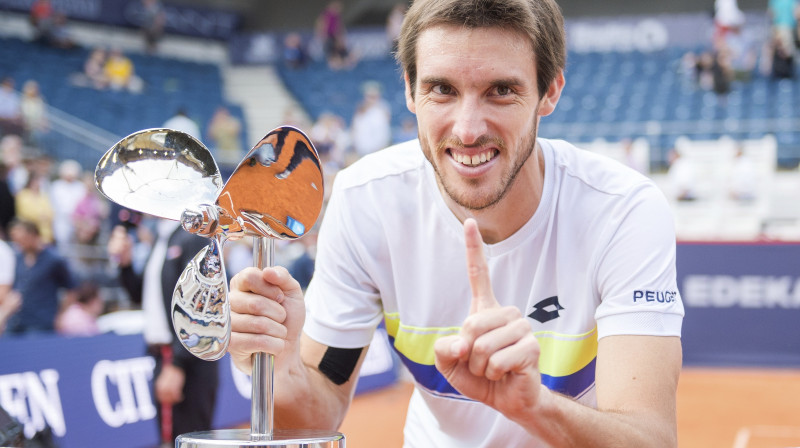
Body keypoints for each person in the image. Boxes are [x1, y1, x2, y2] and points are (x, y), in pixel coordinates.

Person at [226, 0, 684, 447]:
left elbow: (650, 437)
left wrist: (534, 407)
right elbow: (318, 413)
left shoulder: (622, 211)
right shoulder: (367, 200)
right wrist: (281, 365)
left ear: (550, 91)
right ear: (409, 90)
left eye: (501, 90)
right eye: (442, 89)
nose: (467, 130)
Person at [107, 220, 218, 443]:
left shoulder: (192, 237)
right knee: (172, 437)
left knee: (190, 438)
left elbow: (200, 305)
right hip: (165, 355)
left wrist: (177, 364)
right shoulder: (162, 238)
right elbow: (142, 295)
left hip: (186, 357)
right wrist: (125, 263)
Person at [5, 219, 76, 335]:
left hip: (41, 325)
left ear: (32, 235)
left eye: (21, 239)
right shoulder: (17, 258)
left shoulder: (54, 260)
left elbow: (72, 290)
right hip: (15, 322)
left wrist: (60, 315)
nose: (18, 243)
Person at [350, 81, 392, 159]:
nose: (371, 98)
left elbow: (384, 129)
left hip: (379, 147)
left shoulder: (383, 108)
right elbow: (355, 128)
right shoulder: (360, 108)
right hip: (362, 148)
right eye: (369, 96)